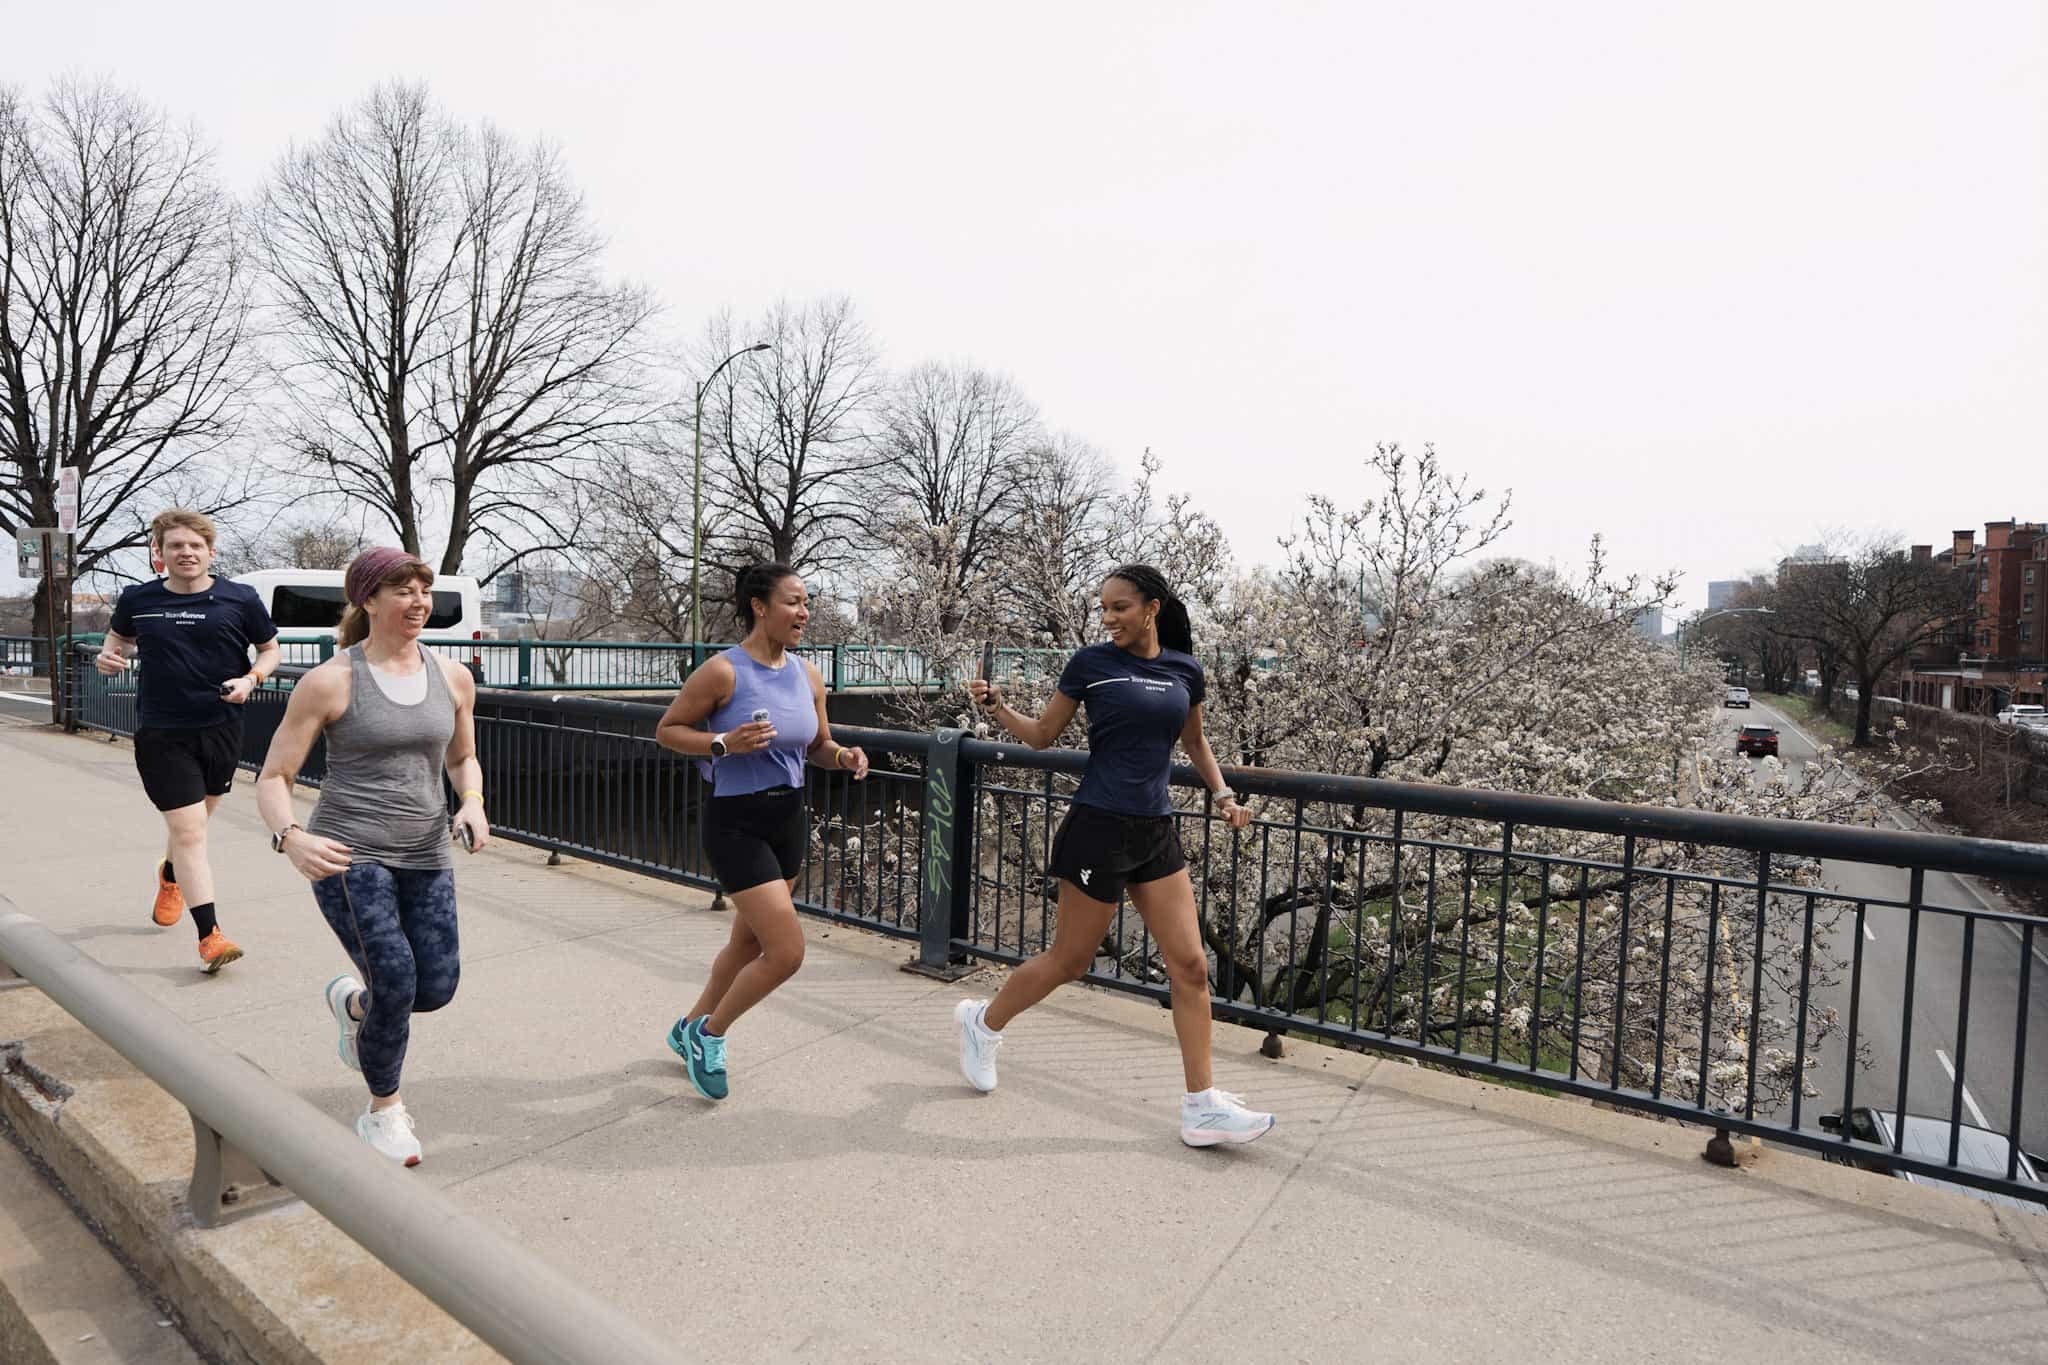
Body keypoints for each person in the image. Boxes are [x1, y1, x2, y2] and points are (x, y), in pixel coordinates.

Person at [958, 565, 1274, 1147]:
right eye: (1103, 608)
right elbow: (1043, 735)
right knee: (1069, 962)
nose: (1108, 619)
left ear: (1151, 607)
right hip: (1097, 829)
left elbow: (1195, 741)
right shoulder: (1091, 665)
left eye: (1120, 607)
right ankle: (983, 1023)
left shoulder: (1185, 669)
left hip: (1155, 831)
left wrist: (1224, 794)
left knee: (1191, 966)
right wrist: (998, 707)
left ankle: (1201, 1106)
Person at [254, 548, 487, 1166]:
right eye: (402, 590)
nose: (418, 602)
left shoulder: (453, 676)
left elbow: (462, 758)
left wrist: (472, 801)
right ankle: (384, 1110)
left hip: (426, 850)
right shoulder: (332, 680)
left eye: (423, 590)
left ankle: (352, 1007)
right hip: (348, 853)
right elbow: (274, 775)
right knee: (397, 979)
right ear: (369, 602)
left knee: (435, 988)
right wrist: (291, 838)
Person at [654, 563, 869, 1102]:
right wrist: (725, 742)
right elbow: (668, 731)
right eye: (794, 602)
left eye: (807, 602)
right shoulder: (723, 673)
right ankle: (710, 1034)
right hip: (737, 822)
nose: (805, 612)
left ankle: (689, 1024)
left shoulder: (809, 675)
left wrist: (843, 755)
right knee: (786, 952)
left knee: (748, 940)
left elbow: (817, 744)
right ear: (759, 606)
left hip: (788, 819)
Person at [96, 510, 281, 972]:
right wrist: (108, 657)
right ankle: (210, 937)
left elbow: (270, 649)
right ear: (160, 553)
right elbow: (116, 639)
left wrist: (251, 679)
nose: (186, 553)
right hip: (162, 732)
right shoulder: (139, 598)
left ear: (210, 552)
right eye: (176, 546)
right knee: (191, 831)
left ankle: (171, 875)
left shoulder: (239, 598)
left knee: (198, 822)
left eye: (195, 546)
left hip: (221, 726)